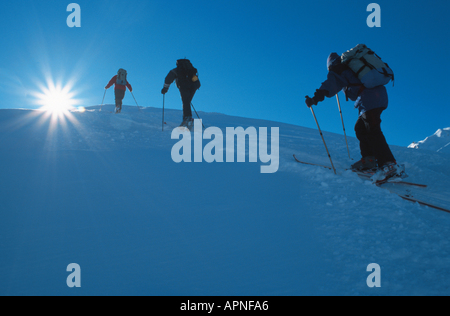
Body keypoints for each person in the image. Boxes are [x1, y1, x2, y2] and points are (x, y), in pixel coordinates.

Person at [305, 52, 401, 181]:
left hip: (370, 99)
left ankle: (389, 164)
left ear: (330, 66)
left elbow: (329, 86)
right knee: (360, 128)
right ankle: (369, 160)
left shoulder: (339, 69)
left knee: (373, 130)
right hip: (374, 99)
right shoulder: (349, 68)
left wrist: (314, 99)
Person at [161, 59, 201, 128]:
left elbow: (168, 79)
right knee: (187, 101)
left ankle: (187, 119)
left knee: (185, 101)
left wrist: (165, 89)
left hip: (184, 86)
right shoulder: (191, 69)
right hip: (194, 86)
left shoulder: (177, 70)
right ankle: (187, 119)